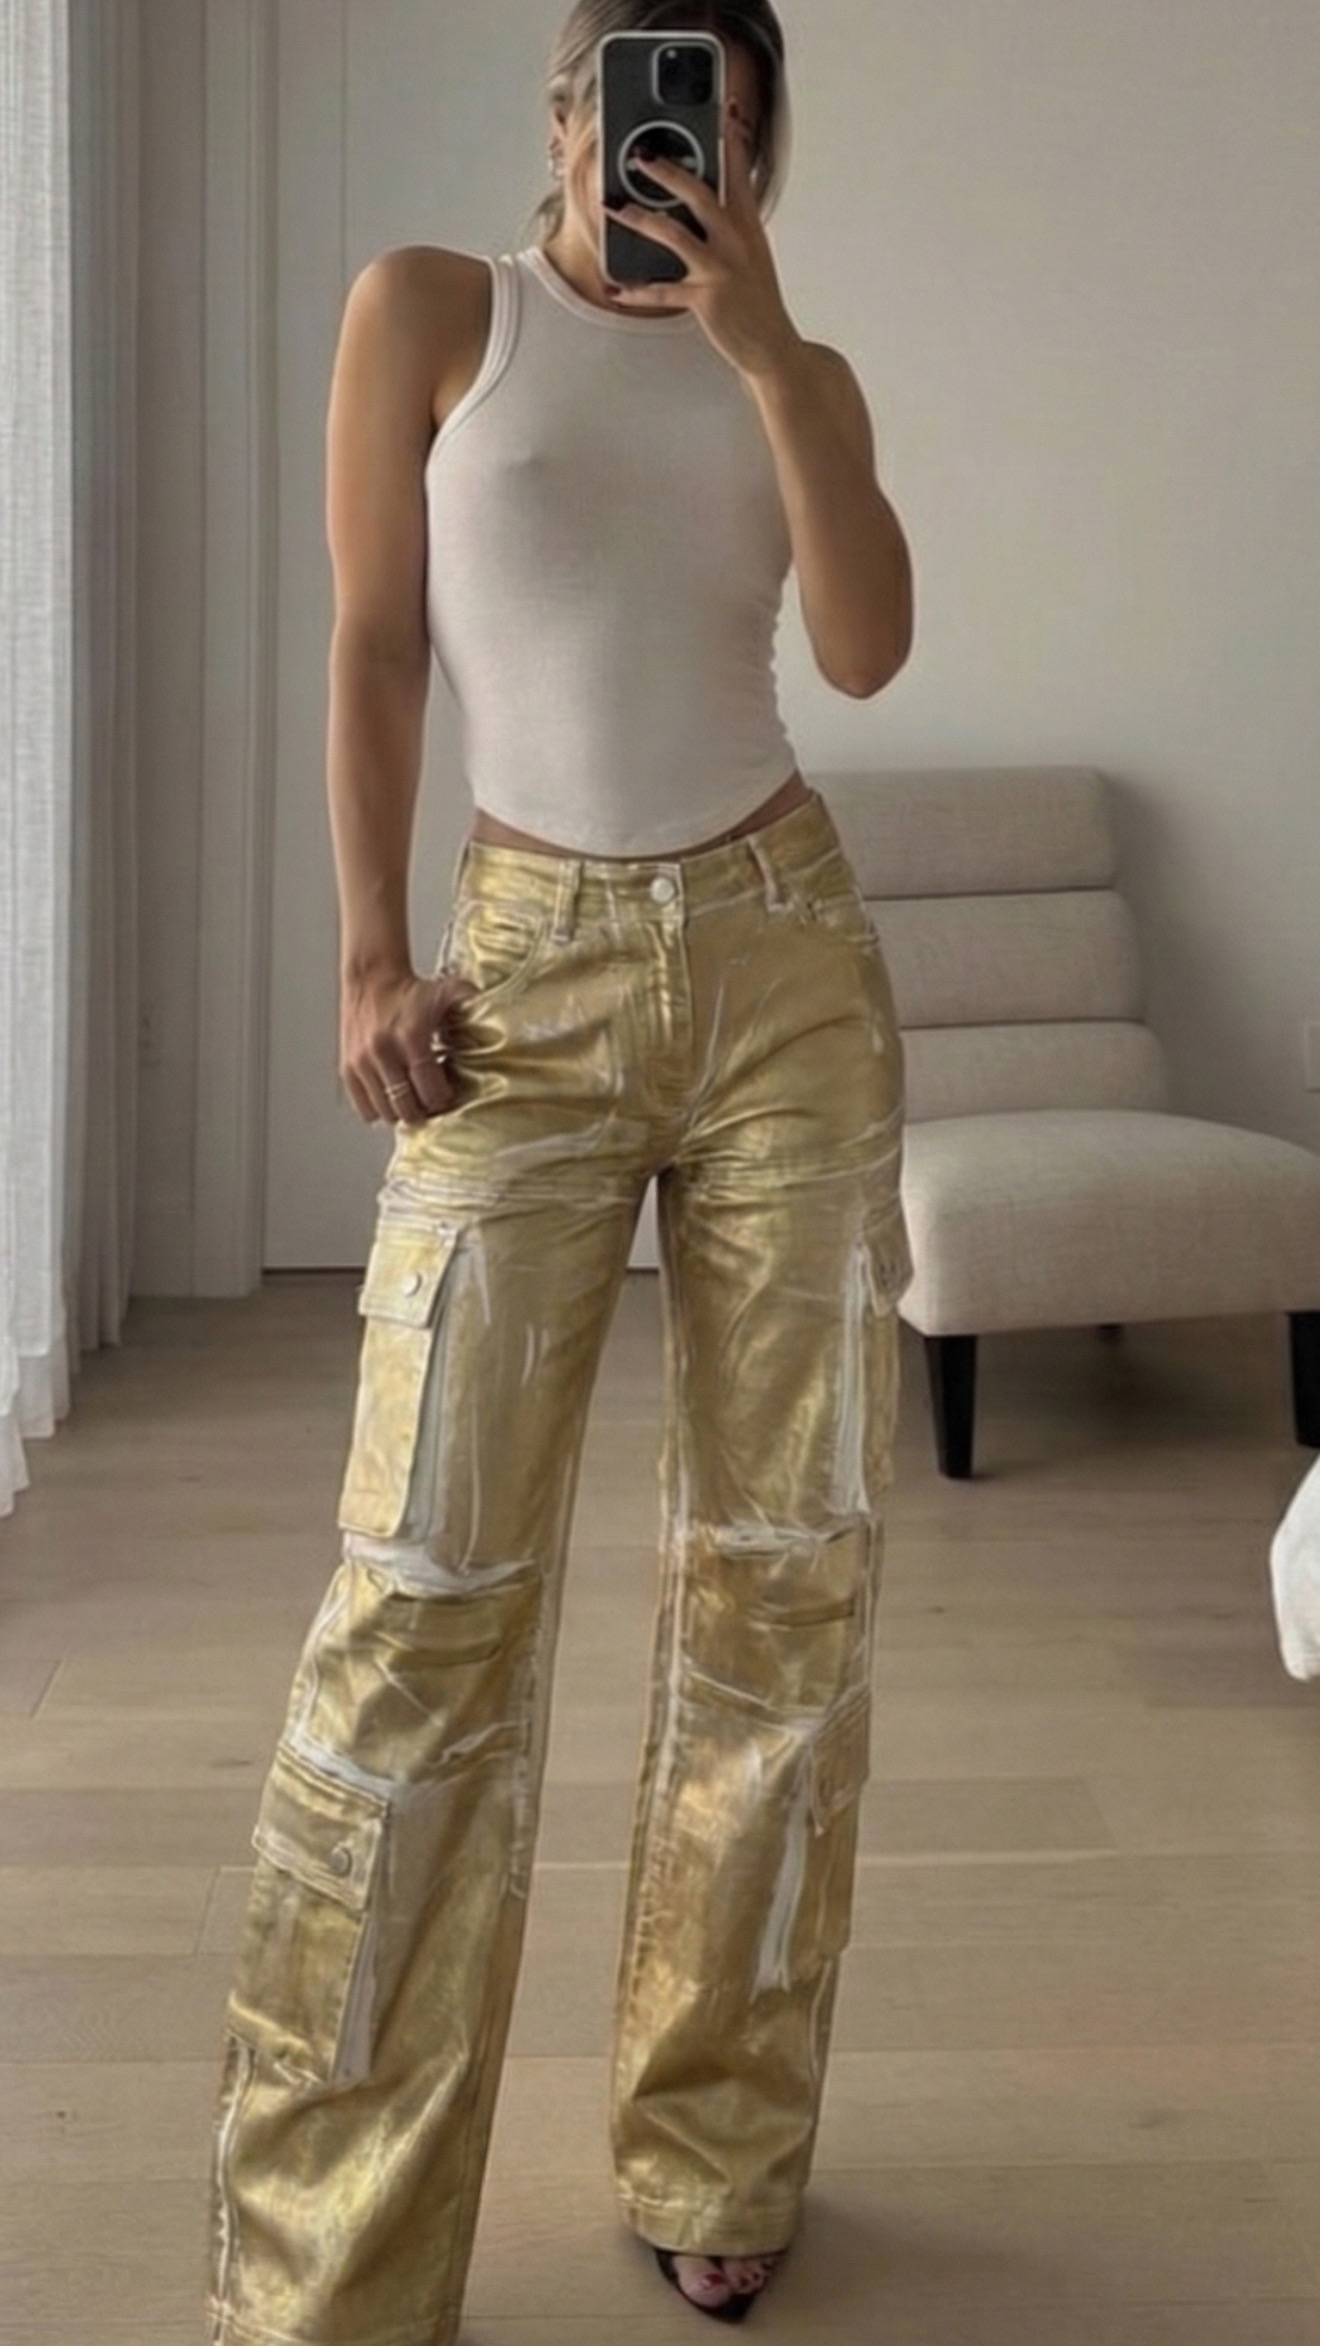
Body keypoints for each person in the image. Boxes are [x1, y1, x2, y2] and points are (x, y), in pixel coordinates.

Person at [205, 2, 916, 2337]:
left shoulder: (793, 367)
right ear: (562, 112)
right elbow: (376, 647)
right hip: (518, 979)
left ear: (757, 140)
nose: (665, 144)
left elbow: (867, 648)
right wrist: (365, 954)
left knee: (783, 1588)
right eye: (631, 95)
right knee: (422, 1601)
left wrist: (771, 354)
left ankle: (722, 2137)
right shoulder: (434, 313)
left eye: (714, 110)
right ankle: (327, 2260)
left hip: (787, 969)